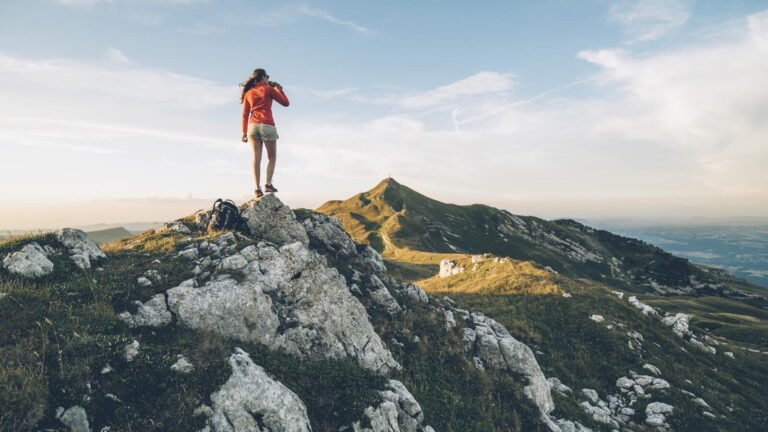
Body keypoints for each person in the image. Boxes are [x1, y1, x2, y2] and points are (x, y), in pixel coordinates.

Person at [240, 68, 290, 198]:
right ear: (263, 77)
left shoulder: (249, 93)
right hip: (267, 125)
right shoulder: (268, 89)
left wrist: (244, 132)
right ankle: (268, 184)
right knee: (272, 157)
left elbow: (245, 114)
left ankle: (257, 189)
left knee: (256, 159)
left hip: (252, 127)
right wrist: (279, 89)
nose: (268, 78)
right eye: (267, 76)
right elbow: (285, 103)